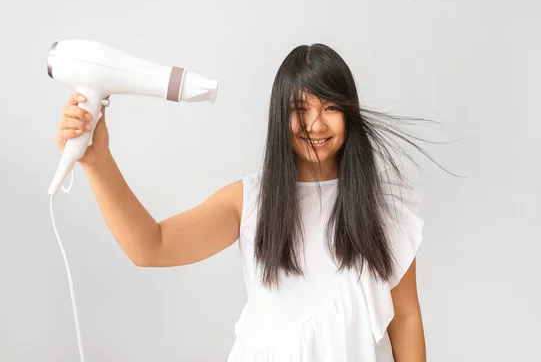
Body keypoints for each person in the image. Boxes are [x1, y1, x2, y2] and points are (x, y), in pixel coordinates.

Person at [55, 43, 446, 361]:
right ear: (280, 117)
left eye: (330, 107)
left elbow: (406, 316)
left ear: (349, 113)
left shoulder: (382, 207)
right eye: (300, 110)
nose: (316, 125)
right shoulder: (251, 201)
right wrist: (97, 162)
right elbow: (151, 246)